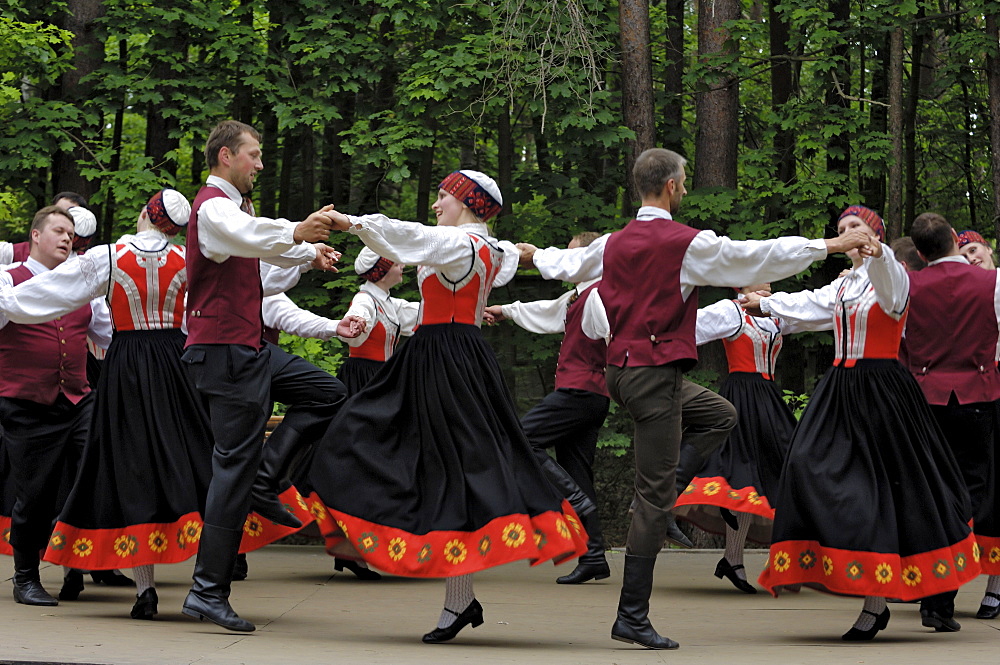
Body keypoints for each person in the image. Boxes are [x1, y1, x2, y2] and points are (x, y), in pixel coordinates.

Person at [517, 148, 871, 650]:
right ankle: (631, 615)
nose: (684, 188)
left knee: (720, 414)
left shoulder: (614, 243)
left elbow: (568, 263)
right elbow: (757, 255)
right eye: (683, 182)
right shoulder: (686, 244)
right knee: (652, 501)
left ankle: (674, 481)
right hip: (652, 376)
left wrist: (534, 256)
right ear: (673, 187)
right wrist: (832, 244)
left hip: (624, 372)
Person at [308, 169, 588, 644]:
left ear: (468, 204)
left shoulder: (459, 245)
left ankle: (460, 596)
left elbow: (409, 238)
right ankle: (456, 594)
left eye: (443, 197)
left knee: (448, 464)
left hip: (447, 357)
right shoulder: (487, 250)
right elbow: (472, 263)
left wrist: (350, 222)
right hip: (445, 352)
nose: (436, 205)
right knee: (439, 462)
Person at [748, 206, 981, 640]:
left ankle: (875, 607)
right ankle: (833, 566)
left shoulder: (892, 278)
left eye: (855, 226)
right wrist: (765, 302)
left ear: (876, 233)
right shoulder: (843, 285)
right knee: (802, 463)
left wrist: (879, 254)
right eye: (840, 230)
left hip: (882, 393)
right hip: (840, 390)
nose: (847, 233)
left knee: (881, 492)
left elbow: (891, 285)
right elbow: (809, 307)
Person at [180, 119, 349, 633]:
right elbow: (251, 236)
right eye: (253, 155)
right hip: (223, 351)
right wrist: (298, 232)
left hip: (244, 348)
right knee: (231, 467)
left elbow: (259, 259)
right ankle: (208, 590)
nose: (259, 163)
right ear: (226, 155)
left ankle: (265, 478)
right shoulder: (212, 206)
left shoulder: (237, 210)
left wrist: (306, 252)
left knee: (326, 391)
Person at [484, 231, 613, 585]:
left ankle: (572, 500)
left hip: (581, 392)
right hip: (588, 395)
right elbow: (550, 312)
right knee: (578, 470)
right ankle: (594, 556)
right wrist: (506, 310)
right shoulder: (580, 295)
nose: (566, 262)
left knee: (519, 439)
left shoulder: (600, 295)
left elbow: (615, 336)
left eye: (573, 256)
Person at [0, 206, 112, 606]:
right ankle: (25, 576)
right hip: (27, 403)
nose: (67, 238)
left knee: (99, 470)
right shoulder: (7, 280)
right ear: (34, 235)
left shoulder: (82, 285)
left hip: (78, 398)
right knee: (34, 493)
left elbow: (110, 335)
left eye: (70, 234)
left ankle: (85, 558)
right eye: (58, 231)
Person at [672, 284, 800, 594]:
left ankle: (786, 562)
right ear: (742, 283)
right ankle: (734, 559)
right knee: (744, 476)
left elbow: (816, 312)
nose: (769, 285)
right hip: (741, 397)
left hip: (768, 397)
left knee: (790, 473)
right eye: (762, 278)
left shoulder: (776, 312)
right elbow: (691, 328)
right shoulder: (732, 311)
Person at [919, 220, 1000, 621]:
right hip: (976, 396)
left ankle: (936, 591)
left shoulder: (909, 284)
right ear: (953, 241)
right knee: (969, 492)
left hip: (928, 397)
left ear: (920, 253)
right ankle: (939, 593)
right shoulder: (991, 286)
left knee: (936, 489)